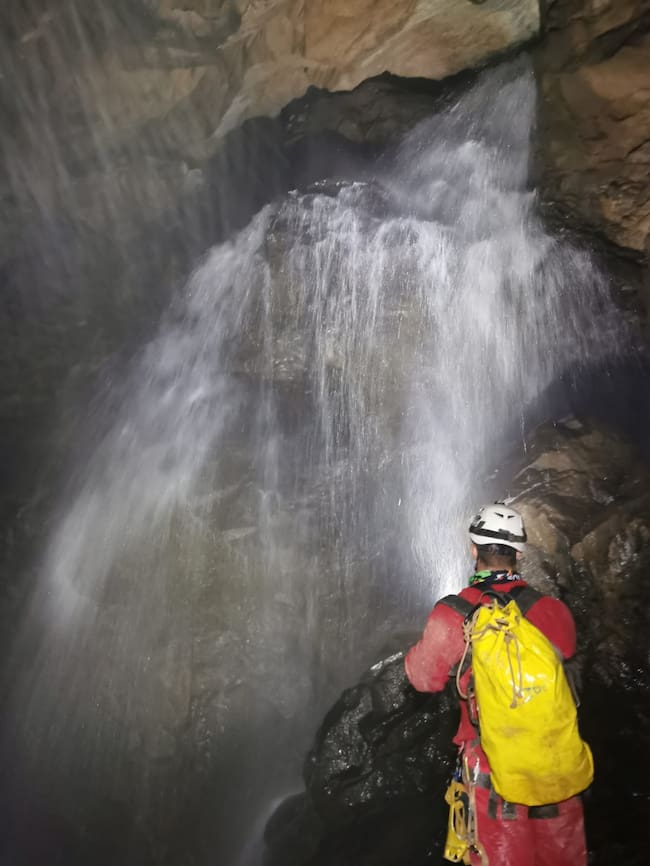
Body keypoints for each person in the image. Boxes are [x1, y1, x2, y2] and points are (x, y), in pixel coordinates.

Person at [405, 503, 588, 866]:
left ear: (473, 550)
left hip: (491, 772)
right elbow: (566, 648)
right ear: (519, 553)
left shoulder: (454, 613)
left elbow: (422, 678)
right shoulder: (551, 610)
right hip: (557, 767)